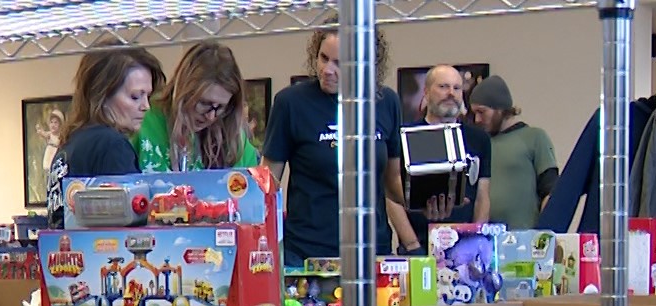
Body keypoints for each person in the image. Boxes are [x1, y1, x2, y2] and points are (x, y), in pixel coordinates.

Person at [261, 26, 418, 265]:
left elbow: (393, 184)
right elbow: (267, 183)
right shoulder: (291, 103)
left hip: (372, 249)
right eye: (323, 58)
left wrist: (425, 203)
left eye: (339, 63)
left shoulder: (386, 102)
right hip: (307, 252)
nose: (327, 70)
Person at [45, 48, 166, 224]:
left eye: (147, 96)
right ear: (103, 95)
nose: (146, 106)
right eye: (135, 97)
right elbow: (133, 227)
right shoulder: (111, 146)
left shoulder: (70, 144)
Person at [137, 43, 259, 173]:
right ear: (184, 90)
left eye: (221, 107)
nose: (211, 116)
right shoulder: (143, 119)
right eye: (204, 103)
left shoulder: (234, 140)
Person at [405, 65, 492, 245]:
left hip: (464, 244)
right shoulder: (407, 136)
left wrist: (476, 239)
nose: (451, 93)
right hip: (417, 245)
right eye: (443, 87)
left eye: (457, 88)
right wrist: (411, 244)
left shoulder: (479, 138)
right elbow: (392, 198)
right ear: (426, 92)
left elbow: (482, 195)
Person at [469, 76, 558, 230]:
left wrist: (544, 234)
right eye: (474, 113)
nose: (477, 119)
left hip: (524, 240)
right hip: (485, 240)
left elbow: (550, 191)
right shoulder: (480, 144)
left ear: (500, 108)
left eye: (482, 112)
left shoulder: (534, 137)